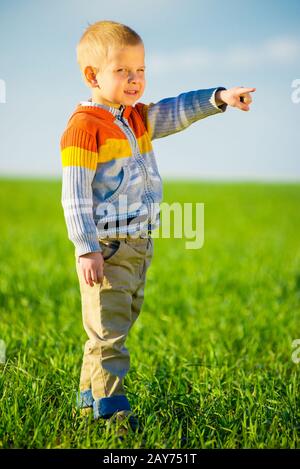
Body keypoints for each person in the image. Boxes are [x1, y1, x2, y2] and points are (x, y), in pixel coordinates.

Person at [59, 20, 255, 434]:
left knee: (111, 329)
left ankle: (85, 406)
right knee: (109, 335)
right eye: (122, 71)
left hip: (138, 245)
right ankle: (113, 416)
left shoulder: (137, 118)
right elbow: (74, 194)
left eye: (141, 70)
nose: (135, 79)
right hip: (108, 247)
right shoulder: (84, 127)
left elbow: (177, 110)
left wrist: (218, 98)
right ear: (92, 76)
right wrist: (86, 247)